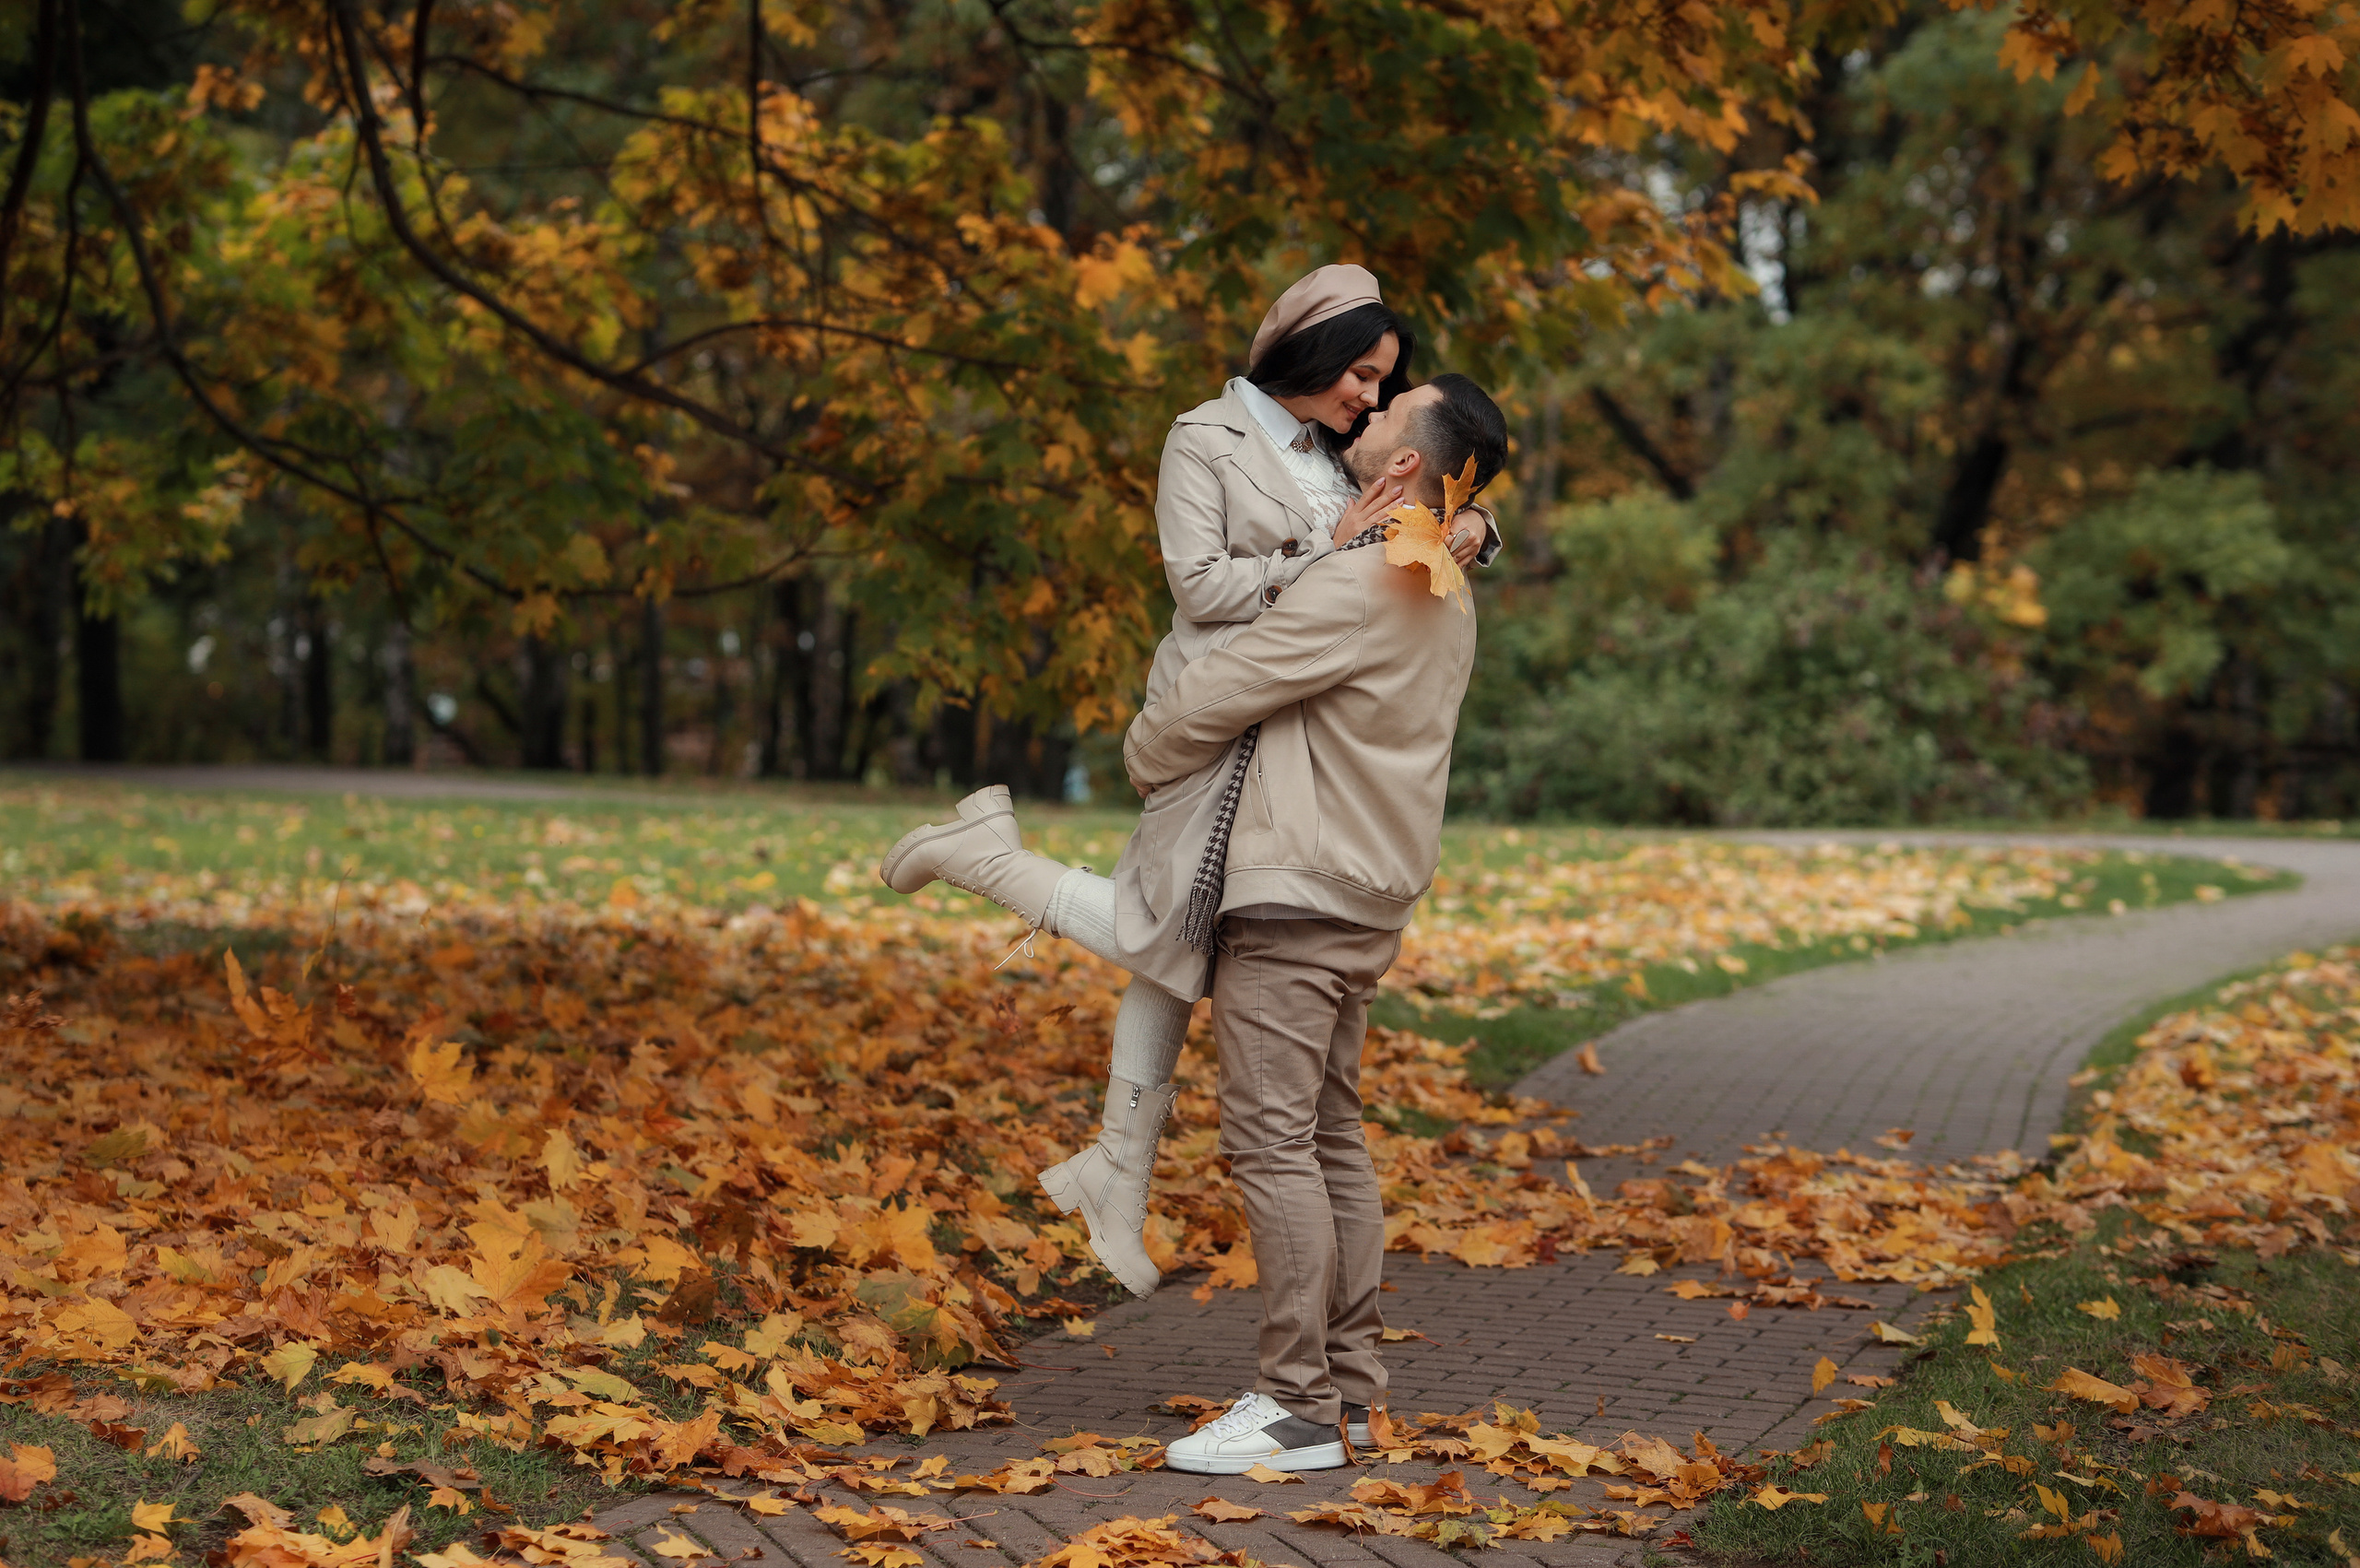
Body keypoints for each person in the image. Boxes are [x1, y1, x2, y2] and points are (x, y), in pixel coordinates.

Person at [877, 265, 1498, 1299]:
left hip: (1292, 729)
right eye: (1359, 373)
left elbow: (1434, 498)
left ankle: (1117, 1172)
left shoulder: (1354, 456)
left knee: (1177, 936)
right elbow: (1200, 585)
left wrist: (1472, 527)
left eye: (1383, 385)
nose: (1368, 398)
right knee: (1168, 930)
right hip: (1215, 710)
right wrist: (1322, 551)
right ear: (1305, 350)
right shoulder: (1202, 440)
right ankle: (990, 862)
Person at [1127, 371, 1506, 1473]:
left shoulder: (1363, 586)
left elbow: (1215, 693)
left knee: (1271, 1142)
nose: (1366, 409)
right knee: (1329, 1136)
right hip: (1363, 891)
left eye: (1387, 414)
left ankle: (1292, 1406)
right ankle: (1349, 1400)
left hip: (1298, 893)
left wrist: (1140, 759)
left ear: (1401, 470)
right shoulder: (1440, 577)